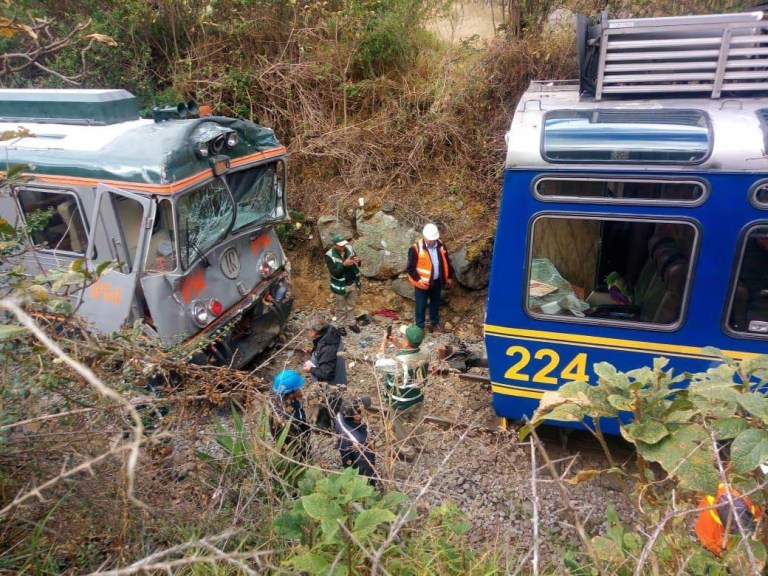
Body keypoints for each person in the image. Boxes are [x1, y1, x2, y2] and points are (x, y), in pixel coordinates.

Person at [374, 325, 429, 462]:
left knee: (401, 427)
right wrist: (397, 344)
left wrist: (383, 344)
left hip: (401, 402)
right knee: (417, 422)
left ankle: (407, 453)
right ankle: (419, 445)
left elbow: (378, 363)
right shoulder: (426, 353)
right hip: (417, 396)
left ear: (406, 341)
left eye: (403, 337)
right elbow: (409, 352)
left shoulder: (397, 362)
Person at [302, 313, 347, 430]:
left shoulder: (328, 349)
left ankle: (326, 428)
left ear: (315, 332)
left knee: (328, 404)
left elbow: (327, 374)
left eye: (309, 330)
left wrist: (310, 368)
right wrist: (314, 351)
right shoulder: (330, 332)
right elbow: (322, 348)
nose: (308, 333)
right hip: (338, 376)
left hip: (331, 385)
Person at [407, 223, 454, 333]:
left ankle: (435, 322)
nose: (433, 242)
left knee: (435, 303)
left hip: (437, 282)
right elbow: (410, 268)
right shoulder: (416, 249)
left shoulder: (441, 245)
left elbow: (447, 262)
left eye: (434, 239)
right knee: (421, 305)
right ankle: (419, 327)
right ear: (425, 237)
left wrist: (449, 276)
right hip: (422, 284)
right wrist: (418, 279)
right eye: (431, 240)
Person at [694, 482, 762, 557]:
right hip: (719, 548)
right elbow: (745, 547)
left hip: (707, 539)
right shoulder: (736, 506)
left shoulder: (731, 489)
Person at [334, 396, 377, 485]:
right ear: (356, 417)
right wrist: (371, 484)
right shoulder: (359, 442)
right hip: (358, 462)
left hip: (348, 454)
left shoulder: (340, 415)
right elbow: (366, 469)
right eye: (361, 410)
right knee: (364, 474)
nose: (364, 411)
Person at [269, 369, 311, 461]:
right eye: (298, 388)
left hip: (281, 441)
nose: (301, 389)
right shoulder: (293, 416)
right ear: (291, 393)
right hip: (296, 444)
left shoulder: (273, 400)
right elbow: (303, 429)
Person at [325, 232, 362, 336]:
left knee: (351, 305)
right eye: (341, 245)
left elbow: (358, 263)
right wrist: (344, 264)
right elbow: (334, 272)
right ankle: (340, 326)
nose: (343, 246)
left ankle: (352, 324)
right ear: (335, 245)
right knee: (341, 308)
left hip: (352, 283)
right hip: (340, 286)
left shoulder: (349, 249)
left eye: (344, 244)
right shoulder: (329, 255)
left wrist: (358, 261)